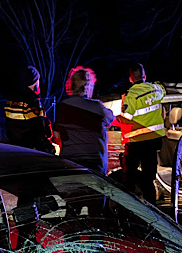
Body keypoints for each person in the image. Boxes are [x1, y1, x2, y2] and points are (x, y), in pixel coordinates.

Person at [54, 66, 116, 174]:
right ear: (87, 86)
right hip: (93, 161)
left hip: (69, 161)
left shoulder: (62, 107)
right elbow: (111, 118)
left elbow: (57, 134)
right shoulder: (97, 107)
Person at [118, 63, 166, 204]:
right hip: (153, 141)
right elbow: (163, 89)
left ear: (130, 79)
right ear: (144, 76)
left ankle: (130, 209)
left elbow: (127, 117)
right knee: (148, 179)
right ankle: (152, 208)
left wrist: (114, 119)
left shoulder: (131, 95)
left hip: (136, 142)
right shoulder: (157, 89)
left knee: (129, 179)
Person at [4, 65, 54, 153]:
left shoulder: (10, 102)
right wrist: (49, 148)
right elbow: (38, 130)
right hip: (33, 151)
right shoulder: (32, 102)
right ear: (34, 81)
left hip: (16, 149)